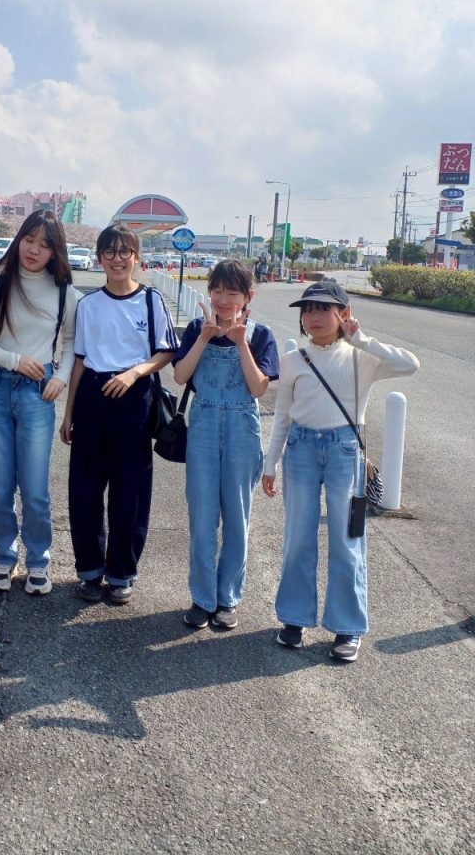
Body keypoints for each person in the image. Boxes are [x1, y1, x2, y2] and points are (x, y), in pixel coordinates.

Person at [262, 279, 419, 662]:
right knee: (298, 538)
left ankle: (347, 626)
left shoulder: (360, 356)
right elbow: (282, 415)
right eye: (308, 310)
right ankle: (294, 619)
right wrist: (271, 463)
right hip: (300, 450)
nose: (313, 317)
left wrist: (361, 338)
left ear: (343, 314)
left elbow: (410, 365)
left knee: (347, 541)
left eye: (323, 309)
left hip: (344, 452)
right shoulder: (294, 359)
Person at [60, 224, 178, 604]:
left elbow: (166, 352)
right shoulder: (88, 304)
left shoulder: (151, 300)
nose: (117, 259)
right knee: (85, 490)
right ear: (99, 258)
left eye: (124, 251)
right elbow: (80, 360)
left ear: (136, 257)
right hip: (93, 398)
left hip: (134, 398)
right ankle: (90, 571)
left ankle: (121, 573)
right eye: (109, 252)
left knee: (131, 492)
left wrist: (133, 373)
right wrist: (68, 413)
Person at [0, 210, 79, 596]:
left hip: (38, 394)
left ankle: (38, 560)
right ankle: (4, 555)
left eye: (44, 244)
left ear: (55, 251)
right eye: (29, 240)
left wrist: (61, 377)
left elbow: (71, 341)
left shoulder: (65, 291)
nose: (34, 250)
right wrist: (13, 360)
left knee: (35, 488)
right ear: (19, 240)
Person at [174, 259, 279, 630]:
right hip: (202, 426)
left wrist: (241, 344)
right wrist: (204, 338)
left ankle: (228, 598)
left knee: (237, 517)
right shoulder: (195, 329)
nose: (222, 299)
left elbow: (259, 387)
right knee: (202, 518)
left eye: (232, 292)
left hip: (241, 428)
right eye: (216, 290)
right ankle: (202, 598)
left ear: (248, 297)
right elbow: (180, 376)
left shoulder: (261, 334)